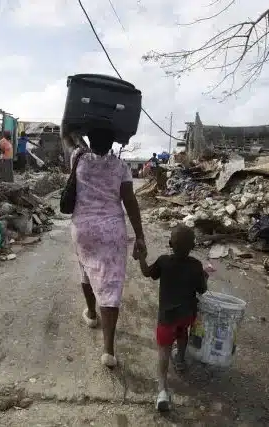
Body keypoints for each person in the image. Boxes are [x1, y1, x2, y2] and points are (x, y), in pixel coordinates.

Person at [63, 127, 147, 368]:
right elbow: (130, 201)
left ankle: (91, 314)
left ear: (90, 139)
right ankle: (108, 351)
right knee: (110, 285)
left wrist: (73, 119)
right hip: (111, 231)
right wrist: (139, 235)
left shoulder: (78, 159)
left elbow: (65, 133)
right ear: (113, 142)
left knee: (86, 270)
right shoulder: (121, 167)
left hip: (83, 229)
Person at [138, 225, 208, 412]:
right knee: (182, 334)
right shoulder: (196, 265)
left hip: (166, 319)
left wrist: (142, 258)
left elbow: (146, 273)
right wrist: (205, 277)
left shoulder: (163, 262)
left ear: (170, 244)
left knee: (163, 351)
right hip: (186, 317)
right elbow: (202, 289)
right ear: (192, 246)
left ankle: (162, 390)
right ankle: (181, 359)